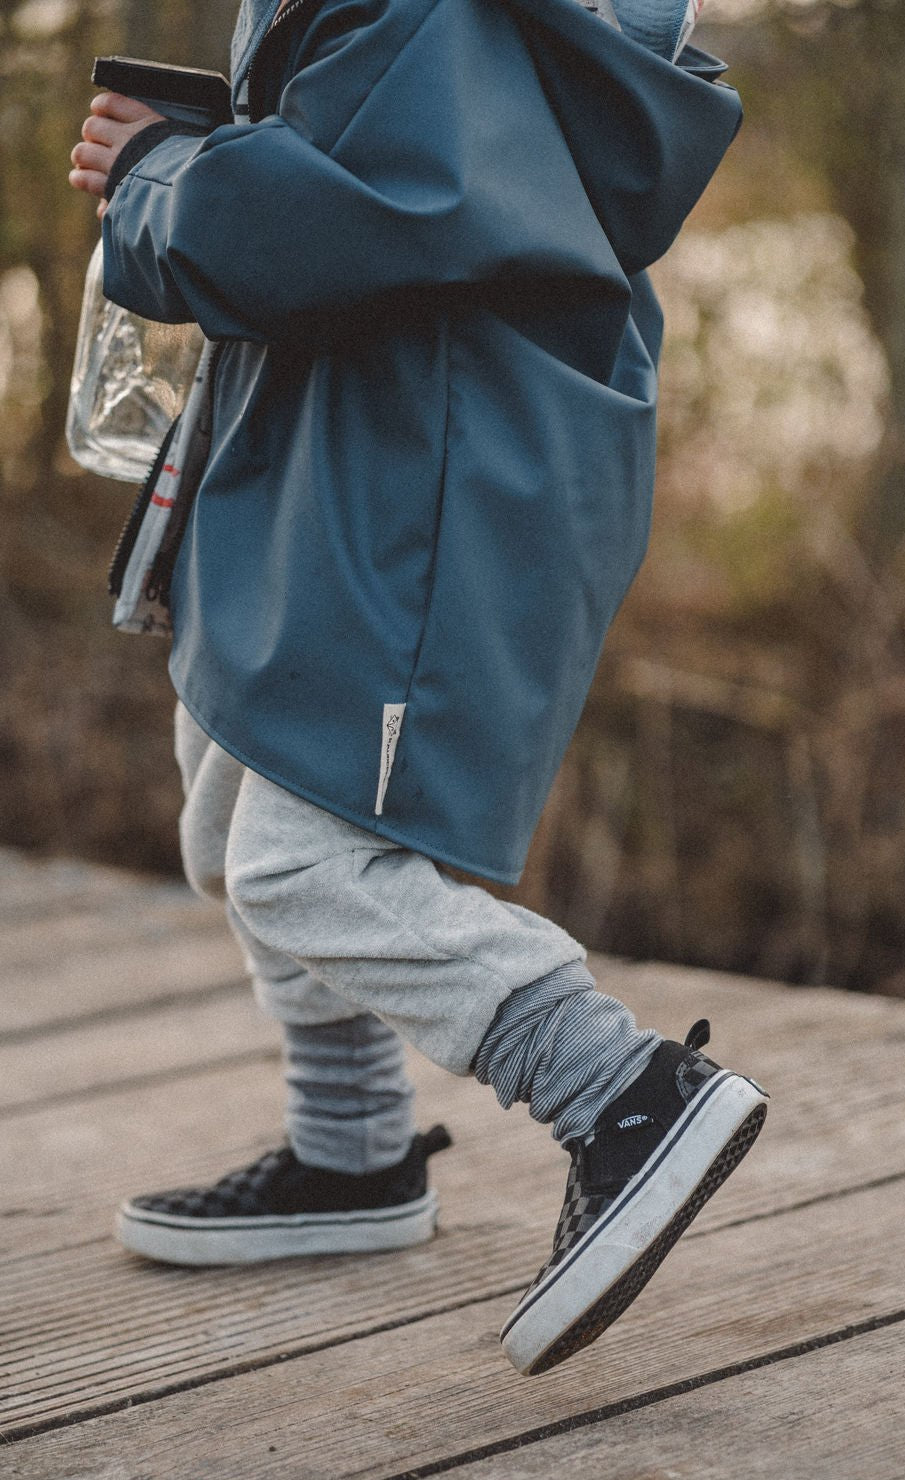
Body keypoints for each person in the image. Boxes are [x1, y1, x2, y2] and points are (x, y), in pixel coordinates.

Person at [69, 0, 767, 1378]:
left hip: (429, 480)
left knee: (306, 865)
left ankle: (622, 1091)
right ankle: (353, 1151)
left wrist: (156, 175)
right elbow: (377, 161)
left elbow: (359, 215)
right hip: (352, 448)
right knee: (226, 806)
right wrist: (214, 145)